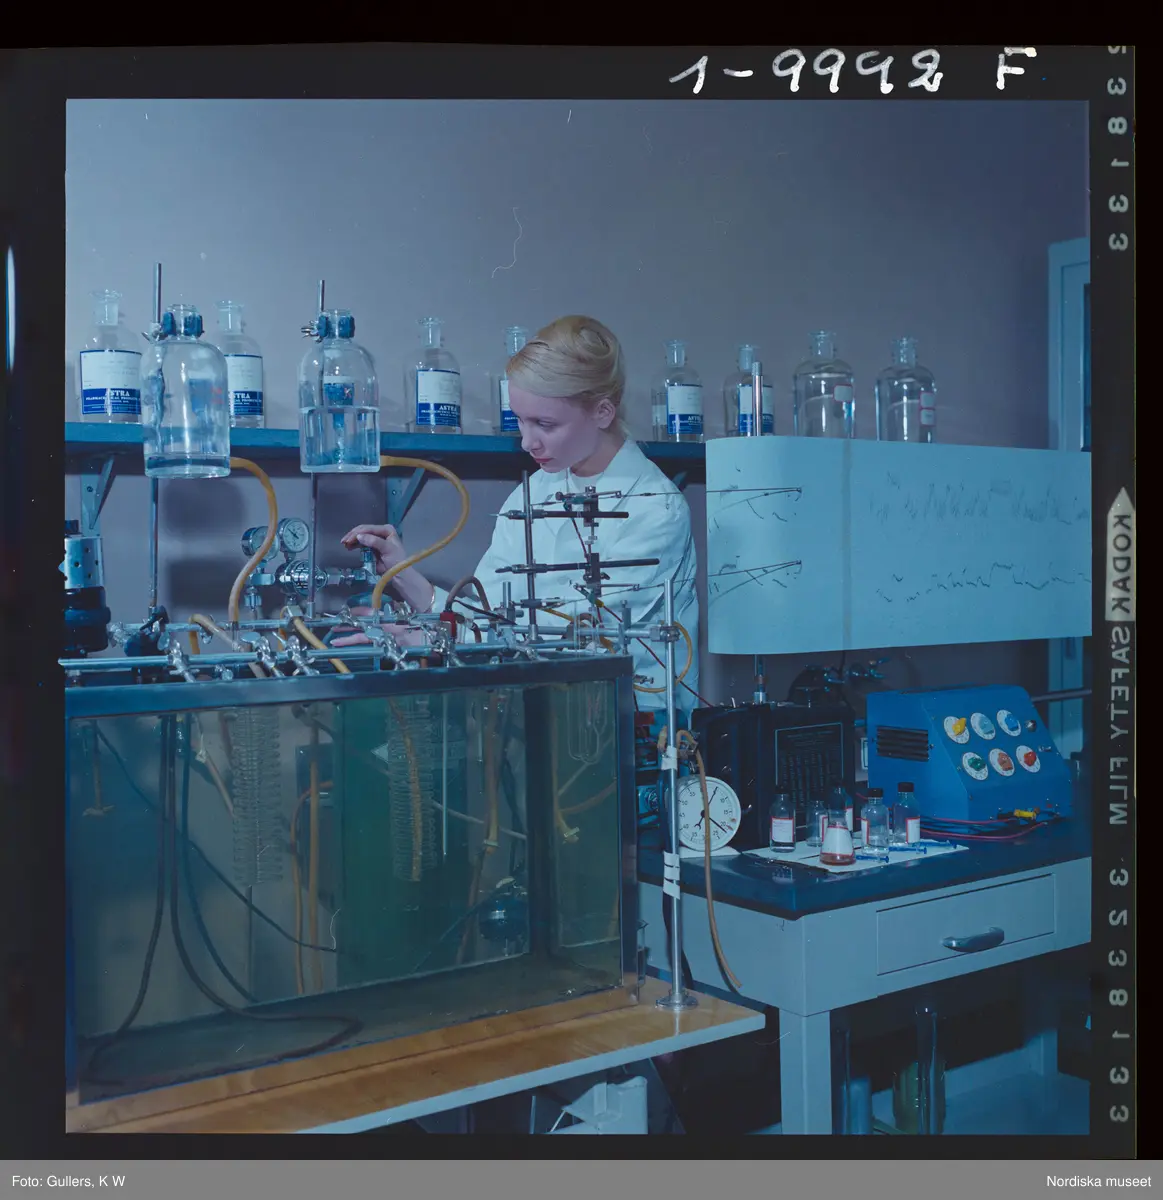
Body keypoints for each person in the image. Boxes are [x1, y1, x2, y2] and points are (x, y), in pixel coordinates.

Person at [336, 315, 700, 706]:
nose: (527, 442)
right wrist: (403, 574)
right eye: (521, 421)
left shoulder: (656, 508)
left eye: (545, 423)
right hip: (545, 711)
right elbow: (489, 614)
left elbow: (584, 636)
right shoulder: (534, 491)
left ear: (602, 412)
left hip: (636, 720)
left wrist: (438, 635)